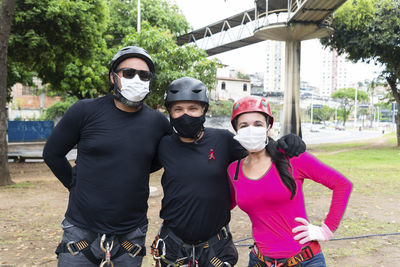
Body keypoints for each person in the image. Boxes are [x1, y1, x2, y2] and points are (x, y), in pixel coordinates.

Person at [150, 77, 306, 267]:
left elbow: (258, 150)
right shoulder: (164, 144)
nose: (186, 115)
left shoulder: (223, 140)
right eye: (178, 110)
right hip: (173, 244)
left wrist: (284, 144)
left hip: (215, 246)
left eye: (192, 109)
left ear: (204, 110)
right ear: (170, 112)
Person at [43, 46, 170, 266]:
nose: (137, 79)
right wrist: (73, 183)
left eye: (144, 75)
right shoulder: (84, 111)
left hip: (131, 232)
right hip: (81, 229)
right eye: (129, 73)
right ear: (113, 77)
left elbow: (157, 161)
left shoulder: (158, 123)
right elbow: (52, 153)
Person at [227, 96, 353, 267]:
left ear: (268, 127)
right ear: (236, 130)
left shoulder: (292, 158)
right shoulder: (233, 170)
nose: (251, 130)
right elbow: (227, 204)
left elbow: (342, 185)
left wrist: (327, 229)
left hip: (304, 260)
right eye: (244, 125)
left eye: (258, 124)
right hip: (259, 261)